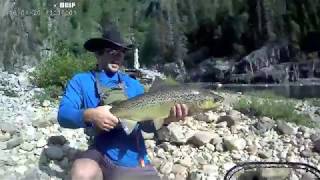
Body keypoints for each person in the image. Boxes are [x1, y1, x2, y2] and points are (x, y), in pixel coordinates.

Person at [57, 25, 189, 180]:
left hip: (134, 159)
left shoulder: (134, 85)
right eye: (111, 51)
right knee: (82, 173)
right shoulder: (81, 80)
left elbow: (146, 125)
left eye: (121, 53)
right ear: (98, 54)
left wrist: (167, 118)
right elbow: (63, 115)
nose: (118, 57)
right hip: (99, 152)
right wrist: (90, 115)